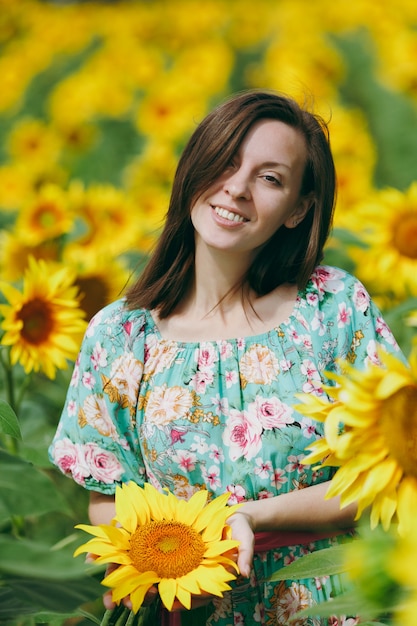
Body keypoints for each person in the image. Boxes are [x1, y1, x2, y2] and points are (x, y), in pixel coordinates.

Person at [49, 90, 403, 625]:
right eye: (226, 162)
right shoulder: (121, 335)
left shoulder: (331, 308)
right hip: (189, 609)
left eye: (270, 178)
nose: (236, 188)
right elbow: (106, 493)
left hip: (327, 603)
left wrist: (251, 518)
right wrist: (147, 563)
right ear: (194, 169)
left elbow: (394, 470)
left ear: (297, 210)